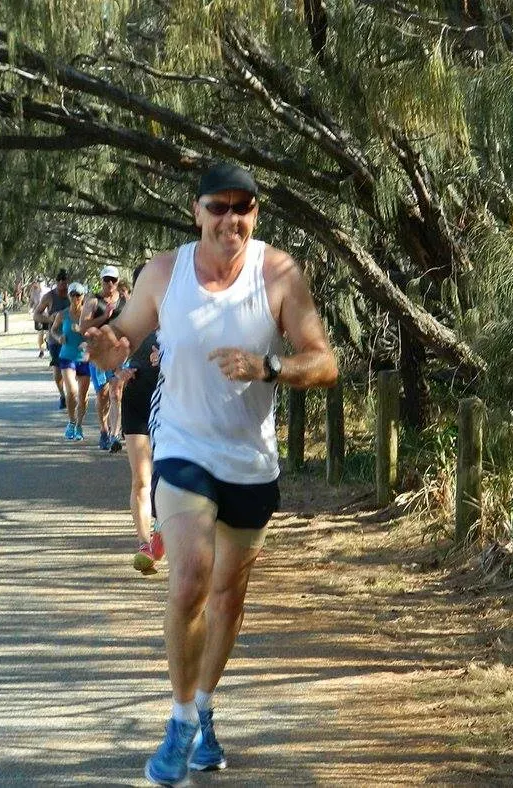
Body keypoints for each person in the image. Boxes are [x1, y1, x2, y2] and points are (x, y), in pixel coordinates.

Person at [86, 162, 338, 786]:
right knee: (191, 574)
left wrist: (269, 369)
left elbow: (325, 361)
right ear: (196, 211)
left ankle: (204, 710)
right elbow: (114, 340)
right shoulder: (164, 275)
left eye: (243, 208)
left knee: (228, 595)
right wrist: (103, 347)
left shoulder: (278, 274)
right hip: (182, 446)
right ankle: (177, 722)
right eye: (219, 207)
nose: (232, 219)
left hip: (249, 461)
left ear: (255, 213)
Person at [118, 264, 164, 574]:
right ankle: (145, 543)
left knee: (167, 476)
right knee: (141, 479)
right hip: (135, 398)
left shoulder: (177, 317)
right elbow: (97, 352)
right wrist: (117, 372)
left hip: (169, 403)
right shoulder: (126, 321)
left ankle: (162, 531)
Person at [81, 264, 127, 451]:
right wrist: (104, 317)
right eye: (106, 280)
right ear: (101, 281)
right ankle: (103, 430)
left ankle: (115, 436)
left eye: (113, 280)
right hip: (98, 354)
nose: (110, 283)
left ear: (117, 282)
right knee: (102, 394)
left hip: (118, 353)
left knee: (116, 393)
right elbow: (84, 327)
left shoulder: (125, 301)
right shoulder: (93, 301)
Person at [50, 283, 91, 440]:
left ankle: (79, 424)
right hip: (67, 355)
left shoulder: (87, 316)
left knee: (83, 396)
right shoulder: (63, 314)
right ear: (68, 296)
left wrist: (86, 336)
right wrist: (58, 337)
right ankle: (71, 422)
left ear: (83, 296)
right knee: (72, 391)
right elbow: (53, 329)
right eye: (72, 295)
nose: (75, 298)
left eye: (78, 295)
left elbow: (95, 333)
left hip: (84, 357)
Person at [33, 269, 72, 410]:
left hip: (71, 339)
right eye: (60, 280)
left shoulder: (73, 295)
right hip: (54, 338)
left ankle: (71, 395)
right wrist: (48, 318)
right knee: (58, 371)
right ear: (56, 281)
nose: (63, 283)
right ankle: (62, 394)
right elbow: (36, 315)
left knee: (71, 369)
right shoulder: (49, 297)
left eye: (65, 279)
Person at [28, 277, 47, 358]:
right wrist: (30, 309)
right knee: (40, 334)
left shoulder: (49, 291)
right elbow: (31, 303)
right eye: (38, 282)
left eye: (41, 282)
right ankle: (41, 351)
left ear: (44, 282)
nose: (39, 283)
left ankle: (48, 342)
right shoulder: (34, 292)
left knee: (50, 333)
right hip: (38, 315)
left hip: (48, 315)